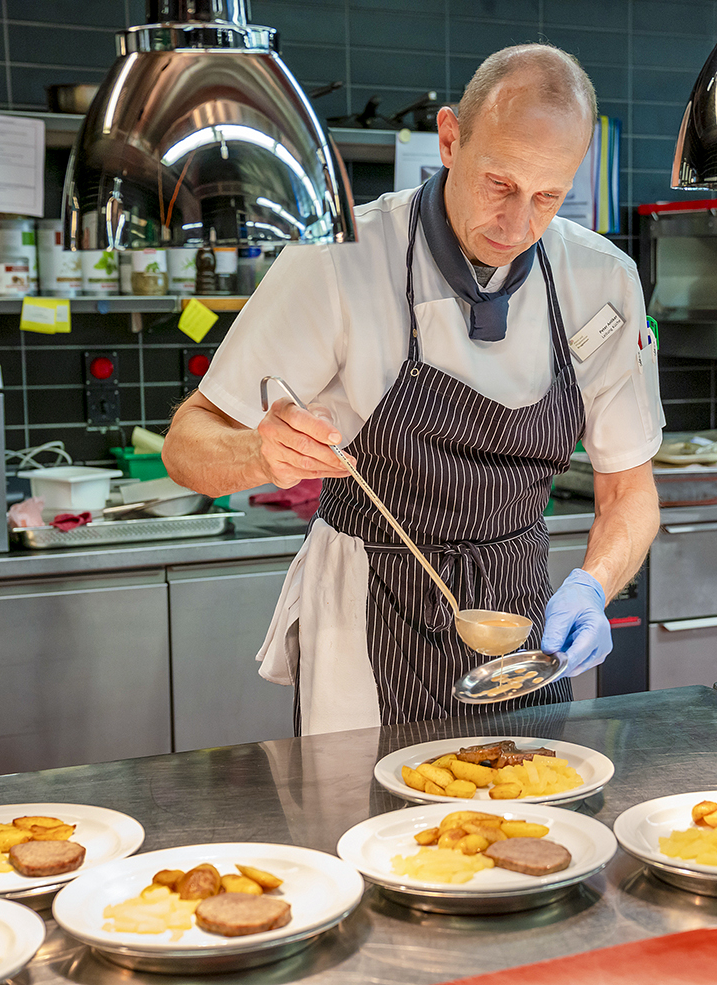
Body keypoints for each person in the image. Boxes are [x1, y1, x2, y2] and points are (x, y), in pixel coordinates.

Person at [162, 43, 663, 735]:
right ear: (450, 139)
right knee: (364, 827)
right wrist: (259, 454)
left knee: (529, 824)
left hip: (518, 619)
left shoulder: (602, 280)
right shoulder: (339, 259)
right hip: (365, 613)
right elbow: (188, 445)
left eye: (547, 196)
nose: (518, 225)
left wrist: (592, 584)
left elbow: (629, 490)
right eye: (500, 184)